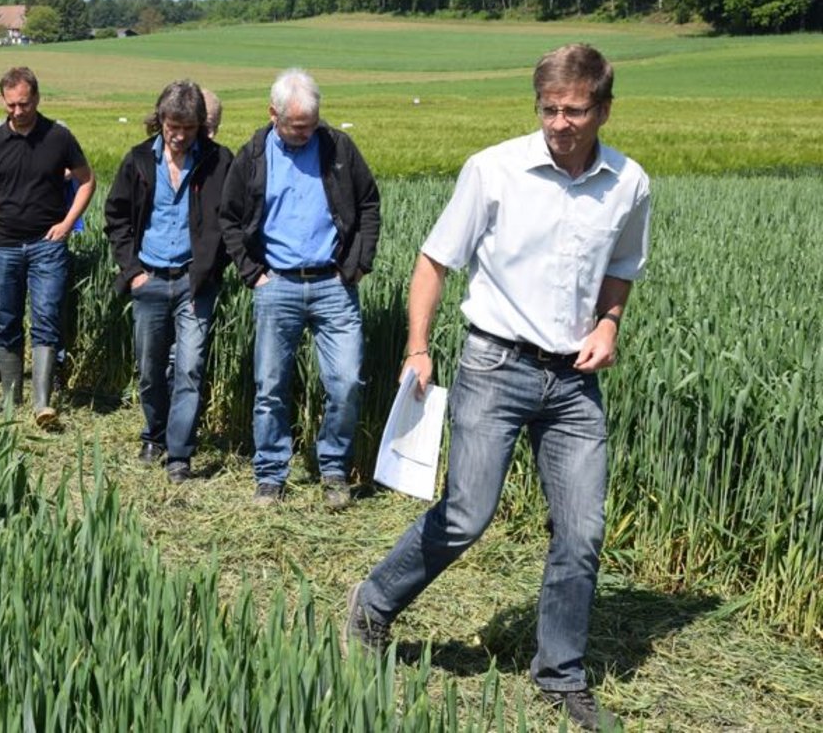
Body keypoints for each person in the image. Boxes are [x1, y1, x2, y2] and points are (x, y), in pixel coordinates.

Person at [347, 45, 651, 732]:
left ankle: (560, 674)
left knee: (583, 531)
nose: (560, 123)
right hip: (494, 365)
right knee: (466, 515)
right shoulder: (494, 171)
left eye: (575, 110)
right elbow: (432, 263)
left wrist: (609, 322)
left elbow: (623, 267)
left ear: (603, 107)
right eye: (549, 108)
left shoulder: (629, 183)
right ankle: (371, 606)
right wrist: (418, 349)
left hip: (575, 381)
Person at [219, 68, 381, 508]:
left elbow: (368, 202)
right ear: (273, 114)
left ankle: (333, 471)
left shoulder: (337, 147)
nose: (306, 132)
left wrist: (357, 265)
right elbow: (229, 219)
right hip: (278, 286)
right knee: (271, 385)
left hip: (333, 284)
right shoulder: (253, 155)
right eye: (296, 126)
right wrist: (253, 274)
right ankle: (271, 474)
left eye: (311, 123)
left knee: (346, 382)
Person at [105, 80, 232, 483]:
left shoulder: (218, 162)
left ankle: (179, 454)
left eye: (187, 128)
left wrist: (212, 267)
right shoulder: (138, 161)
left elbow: (233, 219)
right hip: (151, 279)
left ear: (201, 125)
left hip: (195, 284)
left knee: (190, 368)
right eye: (171, 126)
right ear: (159, 120)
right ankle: (154, 435)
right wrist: (134, 273)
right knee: (149, 368)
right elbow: (116, 218)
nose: (178, 136)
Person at [0, 67, 95, 425]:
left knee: (46, 319)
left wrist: (66, 224)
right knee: (6, 320)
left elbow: (87, 180)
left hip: (47, 245)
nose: (18, 111)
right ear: (4, 101)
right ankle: (11, 400)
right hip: (4, 245)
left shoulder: (59, 137)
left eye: (25, 104)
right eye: (12, 105)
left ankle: (42, 404)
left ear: (37, 99)